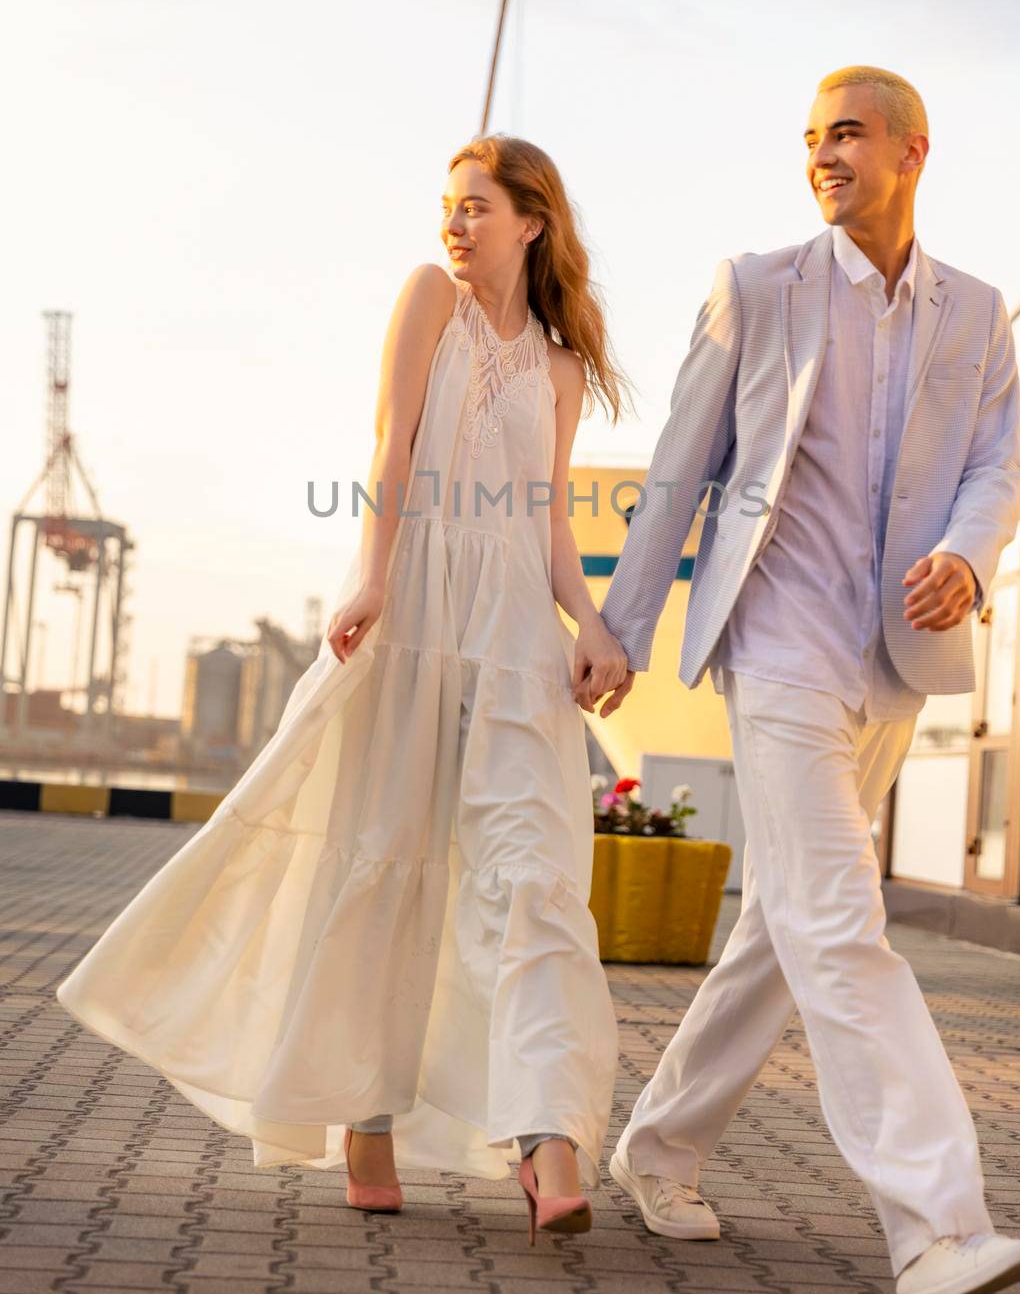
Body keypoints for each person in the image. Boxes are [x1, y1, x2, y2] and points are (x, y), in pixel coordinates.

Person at [56, 134, 630, 1246]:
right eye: (446, 207)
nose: (453, 224)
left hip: (512, 634)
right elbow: (393, 447)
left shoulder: (560, 370)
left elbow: (550, 520)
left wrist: (591, 622)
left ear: (531, 220)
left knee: (534, 878)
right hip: (411, 611)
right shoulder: (428, 300)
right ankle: (363, 1117)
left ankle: (546, 1132)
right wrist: (375, 576)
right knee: (383, 856)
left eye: (475, 207)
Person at [586, 67, 1020, 1294]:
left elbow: (997, 467)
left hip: (889, 657)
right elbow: (679, 469)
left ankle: (659, 1142)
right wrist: (618, 629)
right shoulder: (755, 288)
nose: (821, 156)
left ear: (911, 150)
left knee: (782, 932)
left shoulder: (975, 310)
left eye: (844, 134)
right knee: (842, 920)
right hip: (776, 641)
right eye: (808, 139)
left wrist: (965, 556)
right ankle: (935, 1225)